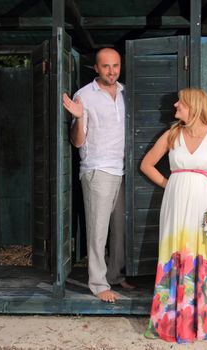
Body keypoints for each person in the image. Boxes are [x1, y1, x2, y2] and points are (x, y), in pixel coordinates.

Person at [140, 88, 207, 342]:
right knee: (177, 255)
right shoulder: (172, 134)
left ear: (195, 106)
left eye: (181, 102)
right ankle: (177, 320)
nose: (176, 105)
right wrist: (172, 185)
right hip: (176, 205)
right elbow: (146, 164)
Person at [62, 47, 134, 303]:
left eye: (115, 66)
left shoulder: (127, 93)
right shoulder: (84, 95)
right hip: (97, 170)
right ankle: (97, 283)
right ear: (96, 68)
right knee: (98, 230)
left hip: (123, 170)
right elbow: (77, 142)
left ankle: (115, 275)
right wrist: (80, 119)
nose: (112, 71)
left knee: (120, 230)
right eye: (106, 66)